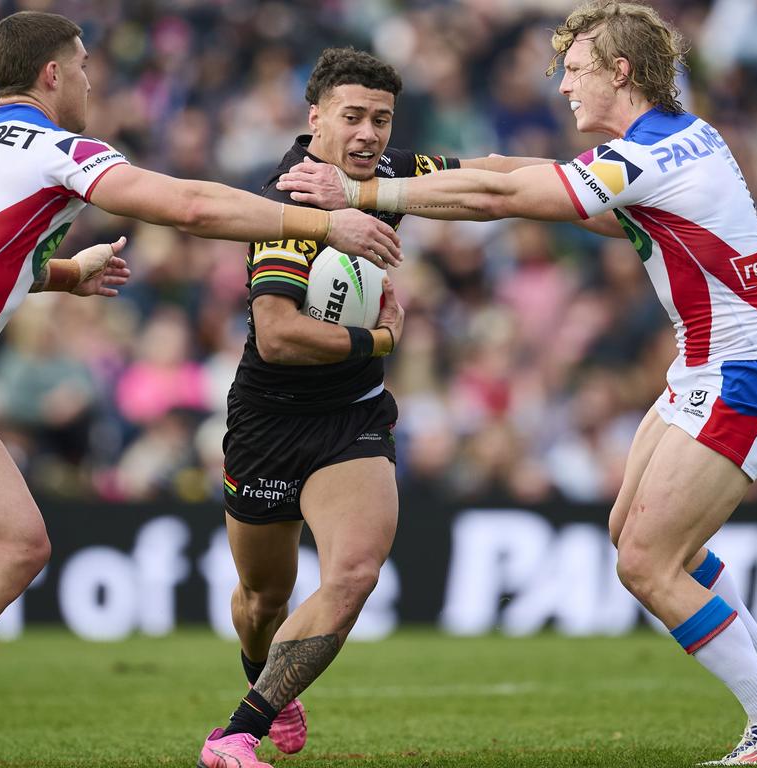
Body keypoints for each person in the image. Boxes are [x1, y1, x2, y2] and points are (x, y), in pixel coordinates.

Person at [0, 12, 400, 768]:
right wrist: (323, 226)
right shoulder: (62, 151)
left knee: (18, 546)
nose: (94, 81)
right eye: (85, 67)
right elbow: (190, 206)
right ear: (54, 75)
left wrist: (66, 272)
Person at [277, 2, 757, 764]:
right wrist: (411, 172)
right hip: (711, 364)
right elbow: (514, 175)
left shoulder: (645, 157)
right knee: (637, 539)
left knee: (646, 561)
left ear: (621, 71)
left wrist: (357, 195)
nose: (565, 87)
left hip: (744, 370)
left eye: (575, 71)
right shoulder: (672, 142)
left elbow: (502, 199)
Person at [197, 47, 536, 768]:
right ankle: (267, 682)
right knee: (262, 600)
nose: (369, 133)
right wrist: (381, 336)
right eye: (353, 116)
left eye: (382, 118)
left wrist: (579, 177)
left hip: (354, 417)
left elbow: (489, 175)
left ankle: (233, 735)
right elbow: (281, 337)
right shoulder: (287, 200)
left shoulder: (386, 176)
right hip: (269, 421)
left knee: (352, 575)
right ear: (315, 117)